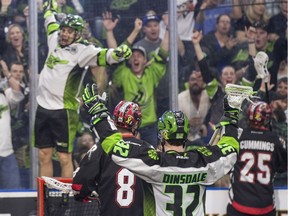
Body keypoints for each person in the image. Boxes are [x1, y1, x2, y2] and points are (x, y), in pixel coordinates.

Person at [79, 82, 243, 215]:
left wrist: (97, 110)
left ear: (162, 136)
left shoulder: (155, 162)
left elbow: (114, 145)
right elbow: (231, 148)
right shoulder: (203, 161)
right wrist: (231, 116)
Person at [33, 0, 132, 178]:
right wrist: (50, 6)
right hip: (42, 107)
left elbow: (104, 55)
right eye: (64, 30)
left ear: (77, 34)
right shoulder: (54, 37)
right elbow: (49, 17)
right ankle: (44, 200)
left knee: (64, 157)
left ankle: (66, 201)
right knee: (43, 155)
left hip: (64, 111)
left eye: (70, 31)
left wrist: (119, 53)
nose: (64, 34)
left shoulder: (82, 50)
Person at [72, 99, 155, 216]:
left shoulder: (101, 148)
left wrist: (89, 192)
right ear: (136, 123)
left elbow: (79, 185)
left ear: (114, 120)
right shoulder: (148, 149)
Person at [227, 101, 287, 216]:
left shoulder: (238, 136)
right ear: (267, 119)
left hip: (239, 204)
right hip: (265, 206)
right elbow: (282, 168)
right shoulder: (276, 140)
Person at [0, 59, 22, 189]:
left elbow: (17, 91)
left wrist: (6, 71)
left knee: (14, 194)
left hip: (6, 152)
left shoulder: (5, 94)